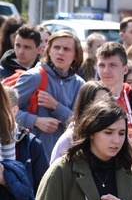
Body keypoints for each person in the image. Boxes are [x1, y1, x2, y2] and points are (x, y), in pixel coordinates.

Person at [14, 30, 85, 159]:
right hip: (31, 158)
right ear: (49, 50)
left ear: (76, 55)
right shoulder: (34, 77)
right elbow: (5, 111)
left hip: (65, 159)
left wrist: (57, 107)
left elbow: (81, 124)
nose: (60, 52)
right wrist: (35, 121)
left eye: (67, 49)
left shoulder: (80, 84)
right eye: (56, 47)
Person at [50, 82, 111, 163]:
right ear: (85, 106)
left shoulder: (117, 134)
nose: (104, 108)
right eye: (98, 103)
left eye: (108, 103)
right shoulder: (68, 140)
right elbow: (56, 173)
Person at [96, 42, 132, 129]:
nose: (106, 71)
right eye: (101, 65)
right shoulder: (90, 97)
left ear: (125, 69)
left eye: (112, 65)